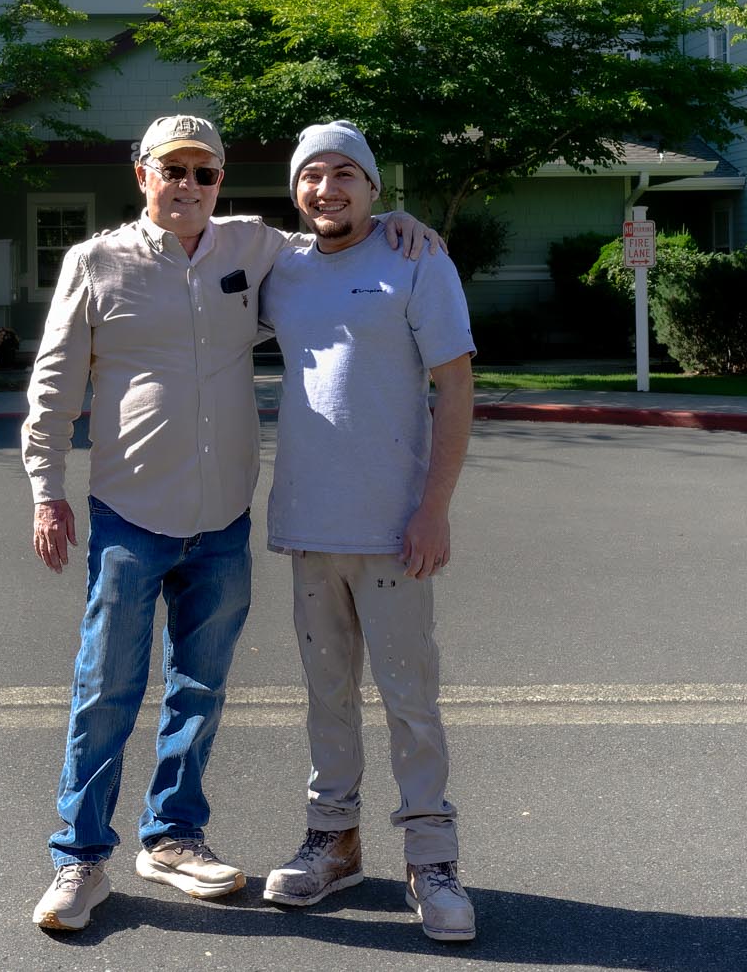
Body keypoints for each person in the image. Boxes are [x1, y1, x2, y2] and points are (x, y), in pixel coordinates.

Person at [22, 114, 439, 933]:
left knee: (201, 688)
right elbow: (55, 382)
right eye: (171, 169)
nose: (187, 185)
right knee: (105, 689)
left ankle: (172, 836)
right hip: (130, 513)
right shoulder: (96, 262)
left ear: (220, 181)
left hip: (221, 523)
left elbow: (335, 230)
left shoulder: (254, 247)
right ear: (141, 174)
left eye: (204, 172)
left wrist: (396, 219)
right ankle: (79, 856)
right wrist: (47, 488)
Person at [256, 121, 478, 943]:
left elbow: (456, 386)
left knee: (410, 698)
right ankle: (334, 840)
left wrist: (434, 507)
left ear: (374, 186)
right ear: (295, 190)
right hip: (309, 523)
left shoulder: (416, 259)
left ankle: (433, 857)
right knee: (327, 695)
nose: (327, 188)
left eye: (345, 173)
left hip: (394, 530)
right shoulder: (281, 268)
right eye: (311, 174)